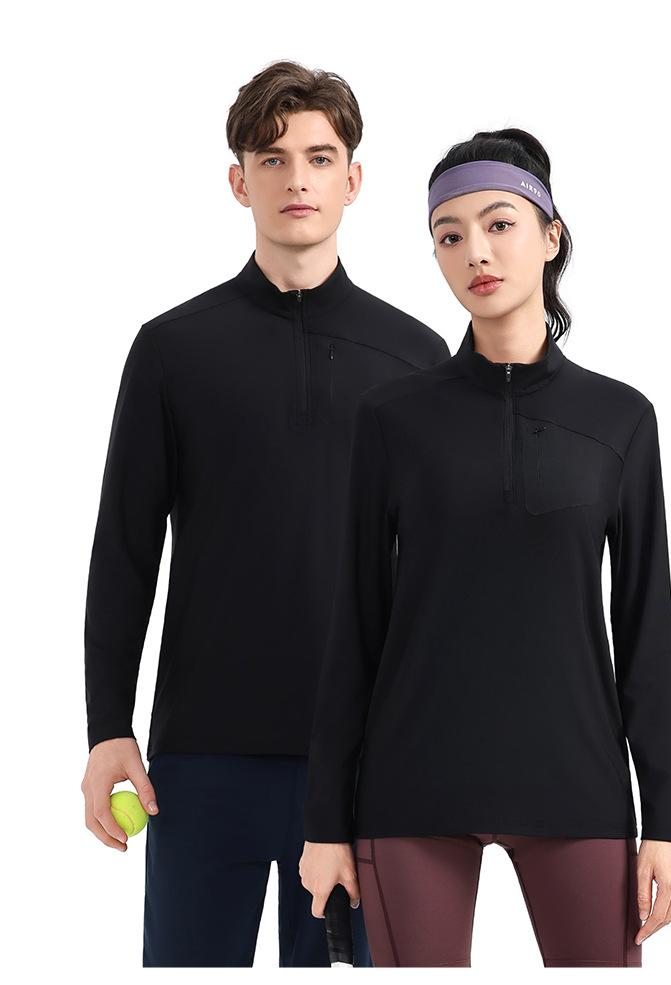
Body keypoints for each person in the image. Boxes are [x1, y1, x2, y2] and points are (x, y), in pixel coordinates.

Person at [79, 59, 450, 968]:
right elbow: (124, 548)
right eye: (272, 158)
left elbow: (443, 576)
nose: (297, 179)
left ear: (353, 179)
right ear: (239, 181)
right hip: (202, 760)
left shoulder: (414, 358)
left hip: (366, 766)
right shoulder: (173, 349)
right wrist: (107, 726)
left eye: (319, 158)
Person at [299, 127, 671, 968]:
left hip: (578, 785)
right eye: (449, 235)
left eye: (499, 224)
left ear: (551, 237)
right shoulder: (392, 419)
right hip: (412, 788)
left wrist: (666, 823)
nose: (474, 250)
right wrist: (324, 823)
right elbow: (354, 629)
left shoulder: (621, 419)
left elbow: (645, 634)